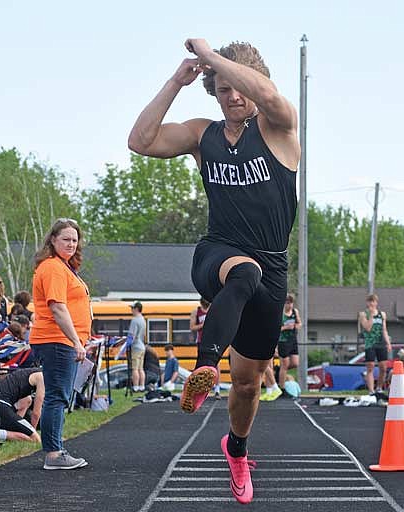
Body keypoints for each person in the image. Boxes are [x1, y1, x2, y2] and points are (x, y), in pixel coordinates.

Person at [128, 38, 299, 503]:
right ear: (213, 91)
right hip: (217, 254)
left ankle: (237, 449)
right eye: (222, 89)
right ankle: (203, 371)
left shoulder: (280, 128)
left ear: (255, 83)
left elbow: (267, 96)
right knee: (243, 273)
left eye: (238, 86)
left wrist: (213, 53)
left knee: (247, 383)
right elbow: (140, 141)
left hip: (272, 266)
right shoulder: (202, 135)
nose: (233, 97)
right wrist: (176, 82)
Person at [29, 218, 91, 470]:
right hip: (57, 340)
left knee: (58, 396)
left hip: (60, 340)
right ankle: (54, 454)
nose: (71, 244)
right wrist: (76, 340)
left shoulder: (64, 267)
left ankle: (56, 450)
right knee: (57, 397)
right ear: (52, 240)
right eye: (66, 239)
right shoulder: (53, 267)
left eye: (75, 240)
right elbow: (57, 307)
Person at [0, 368, 44, 442]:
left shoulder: (31, 373)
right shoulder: (42, 378)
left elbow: (26, 401)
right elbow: (36, 413)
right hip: (2, 404)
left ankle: (7, 432)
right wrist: (32, 431)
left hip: (3, 404)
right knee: (36, 439)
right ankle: (0, 434)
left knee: (27, 400)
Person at [359, 294, 392, 394]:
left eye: (373, 301)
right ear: (367, 303)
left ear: (376, 303)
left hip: (380, 342)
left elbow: (384, 329)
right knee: (370, 366)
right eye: (369, 301)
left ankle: (379, 387)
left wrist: (388, 343)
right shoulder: (363, 314)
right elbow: (367, 328)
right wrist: (371, 316)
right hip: (370, 343)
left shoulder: (382, 314)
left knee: (383, 367)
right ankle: (371, 390)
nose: (371, 304)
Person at [189, 297, 221, 399]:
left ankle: (217, 389)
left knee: (215, 365)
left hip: (213, 340)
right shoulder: (196, 312)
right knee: (202, 365)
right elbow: (192, 327)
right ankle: (201, 390)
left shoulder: (214, 310)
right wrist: (203, 325)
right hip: (201, 341)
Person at [277, 293, 301, 396]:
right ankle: (281, 388)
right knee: (285, 364)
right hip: (283, 341)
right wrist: (286, 327)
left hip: (293, 340)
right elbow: (277, 329)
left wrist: (295, 326)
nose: (289, 305)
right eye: (287, 303)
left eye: (291, 303)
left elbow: (299, 323)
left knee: (295, 363)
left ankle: (280, 371)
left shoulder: (295, 312)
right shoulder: (280, 314)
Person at [128, 301, 146, 392]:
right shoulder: (143, 319)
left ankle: (135, 386)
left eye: (132, 308)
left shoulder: (134, 320)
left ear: (136, 309)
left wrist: (128, 343)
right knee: (141, 368)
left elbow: (132, 335)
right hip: (142, 346)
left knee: (134, 368)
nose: (131, 310)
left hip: (136, 347)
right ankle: (142, 386)